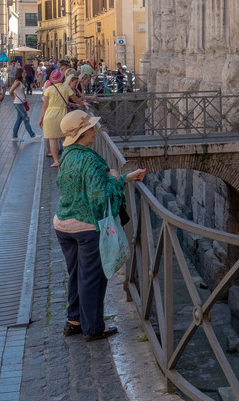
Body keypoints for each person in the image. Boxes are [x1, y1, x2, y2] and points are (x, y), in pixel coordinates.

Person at [53, 110, 147, 341]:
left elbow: (84, 186)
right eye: (91, 129)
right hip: (86, 227)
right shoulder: (90, 159)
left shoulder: (68, 154)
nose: (95, 131)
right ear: (82, 133)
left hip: (63, 223)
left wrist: (125, 178)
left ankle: (73, 319)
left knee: (75, 274)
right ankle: (94, 327)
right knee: (92, 279)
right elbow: (99, 197)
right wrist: (116, 179)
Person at [39, 70, 84, 167]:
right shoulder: (66, 87)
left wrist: (41, 118)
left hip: (49, 115)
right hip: (62, 114)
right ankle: (67, 159)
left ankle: (56, 161)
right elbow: (75, 99)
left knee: (52, 139)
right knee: (64, 138)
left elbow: (44, 106)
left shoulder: (49, 90)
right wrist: (82, 103)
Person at [8, 66, 36, 141]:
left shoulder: (19, 82)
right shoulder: (17, 82)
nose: (25, 73)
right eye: (24, 72)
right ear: (20, 73)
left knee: (19, 120)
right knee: (26, 118)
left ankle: (14, 136)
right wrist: (13, 97)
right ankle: (32, 135)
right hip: (19, 103)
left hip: (20, 102)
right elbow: (11, 91)